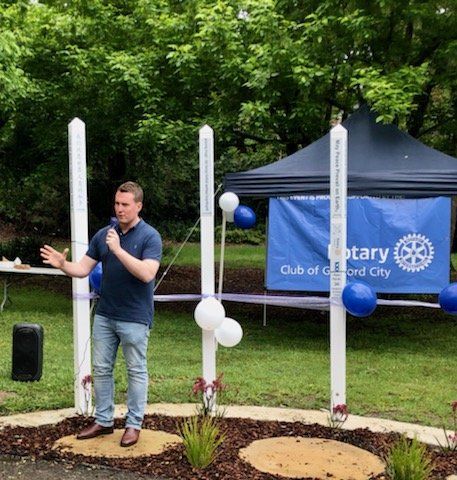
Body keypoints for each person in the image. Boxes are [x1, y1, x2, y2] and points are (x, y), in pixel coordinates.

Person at [40, 181, 162, 447]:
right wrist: (63, 265)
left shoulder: (150, 237)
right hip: (105, 315)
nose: (120, 209)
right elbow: (83, 269)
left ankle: (133, 424)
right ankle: (104, 420)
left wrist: (118, 250)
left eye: (125, 205)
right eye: (117, 204)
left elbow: (147, 274)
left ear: (138, 206)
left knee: (136, 370)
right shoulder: (104, 235)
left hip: (135, 316)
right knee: (102, 369)